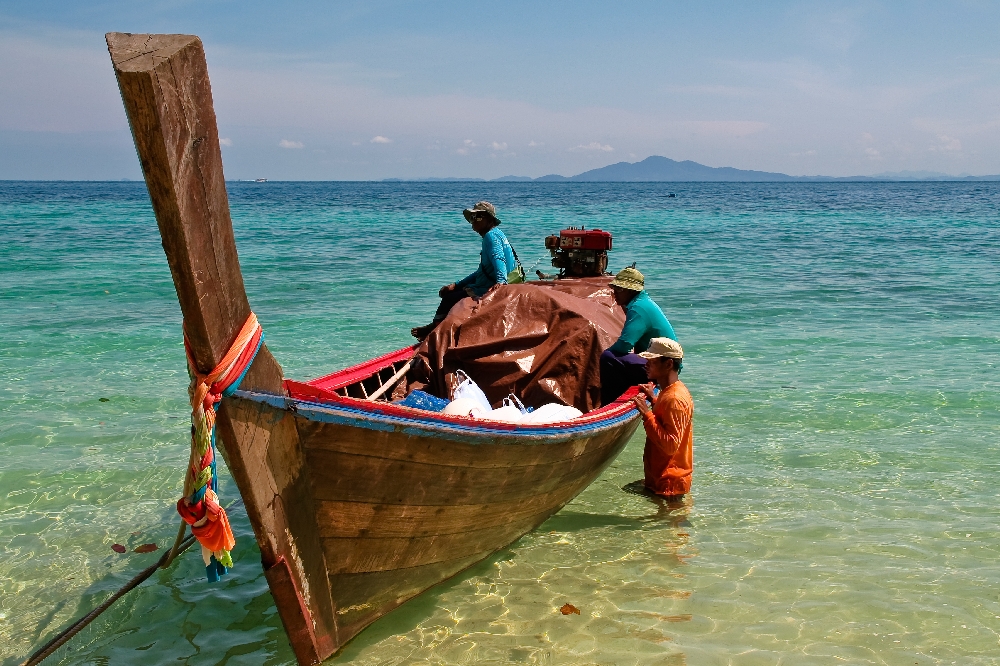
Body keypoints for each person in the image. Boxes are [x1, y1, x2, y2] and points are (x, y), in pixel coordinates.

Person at [411, 201, 519, 341]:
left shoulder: (490, 237)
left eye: (478, 217)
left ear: (489, 219)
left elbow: (498, 258)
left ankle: (434, 332)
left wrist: (501, 281)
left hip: (485, 287)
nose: (473, 221)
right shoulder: (498, 234)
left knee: (448, 298)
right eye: (472, 218)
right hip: (485, 281)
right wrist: (457, 284)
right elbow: (483, 270)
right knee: (452, 291)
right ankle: (436, 327)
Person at [599, 265, 678, 405]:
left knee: (608, 357)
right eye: (614, 289)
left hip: (664, 365)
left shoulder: (638, 308)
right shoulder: (643, 303)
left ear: (630, 291)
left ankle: (609, 405)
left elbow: (624, 345)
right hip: (667, 364)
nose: (614, 293)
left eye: (619, 289)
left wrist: (606, 353)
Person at [632, 337, 693, 498]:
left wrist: (647, 414)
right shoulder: (669, 392)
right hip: (663, 479)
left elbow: (670, 445)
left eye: (652, 361)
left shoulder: (674, 398)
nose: (646, 365)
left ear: (668, 364)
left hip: (670, 482)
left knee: (669, 521)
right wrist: (653, 400)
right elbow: (666, 416)